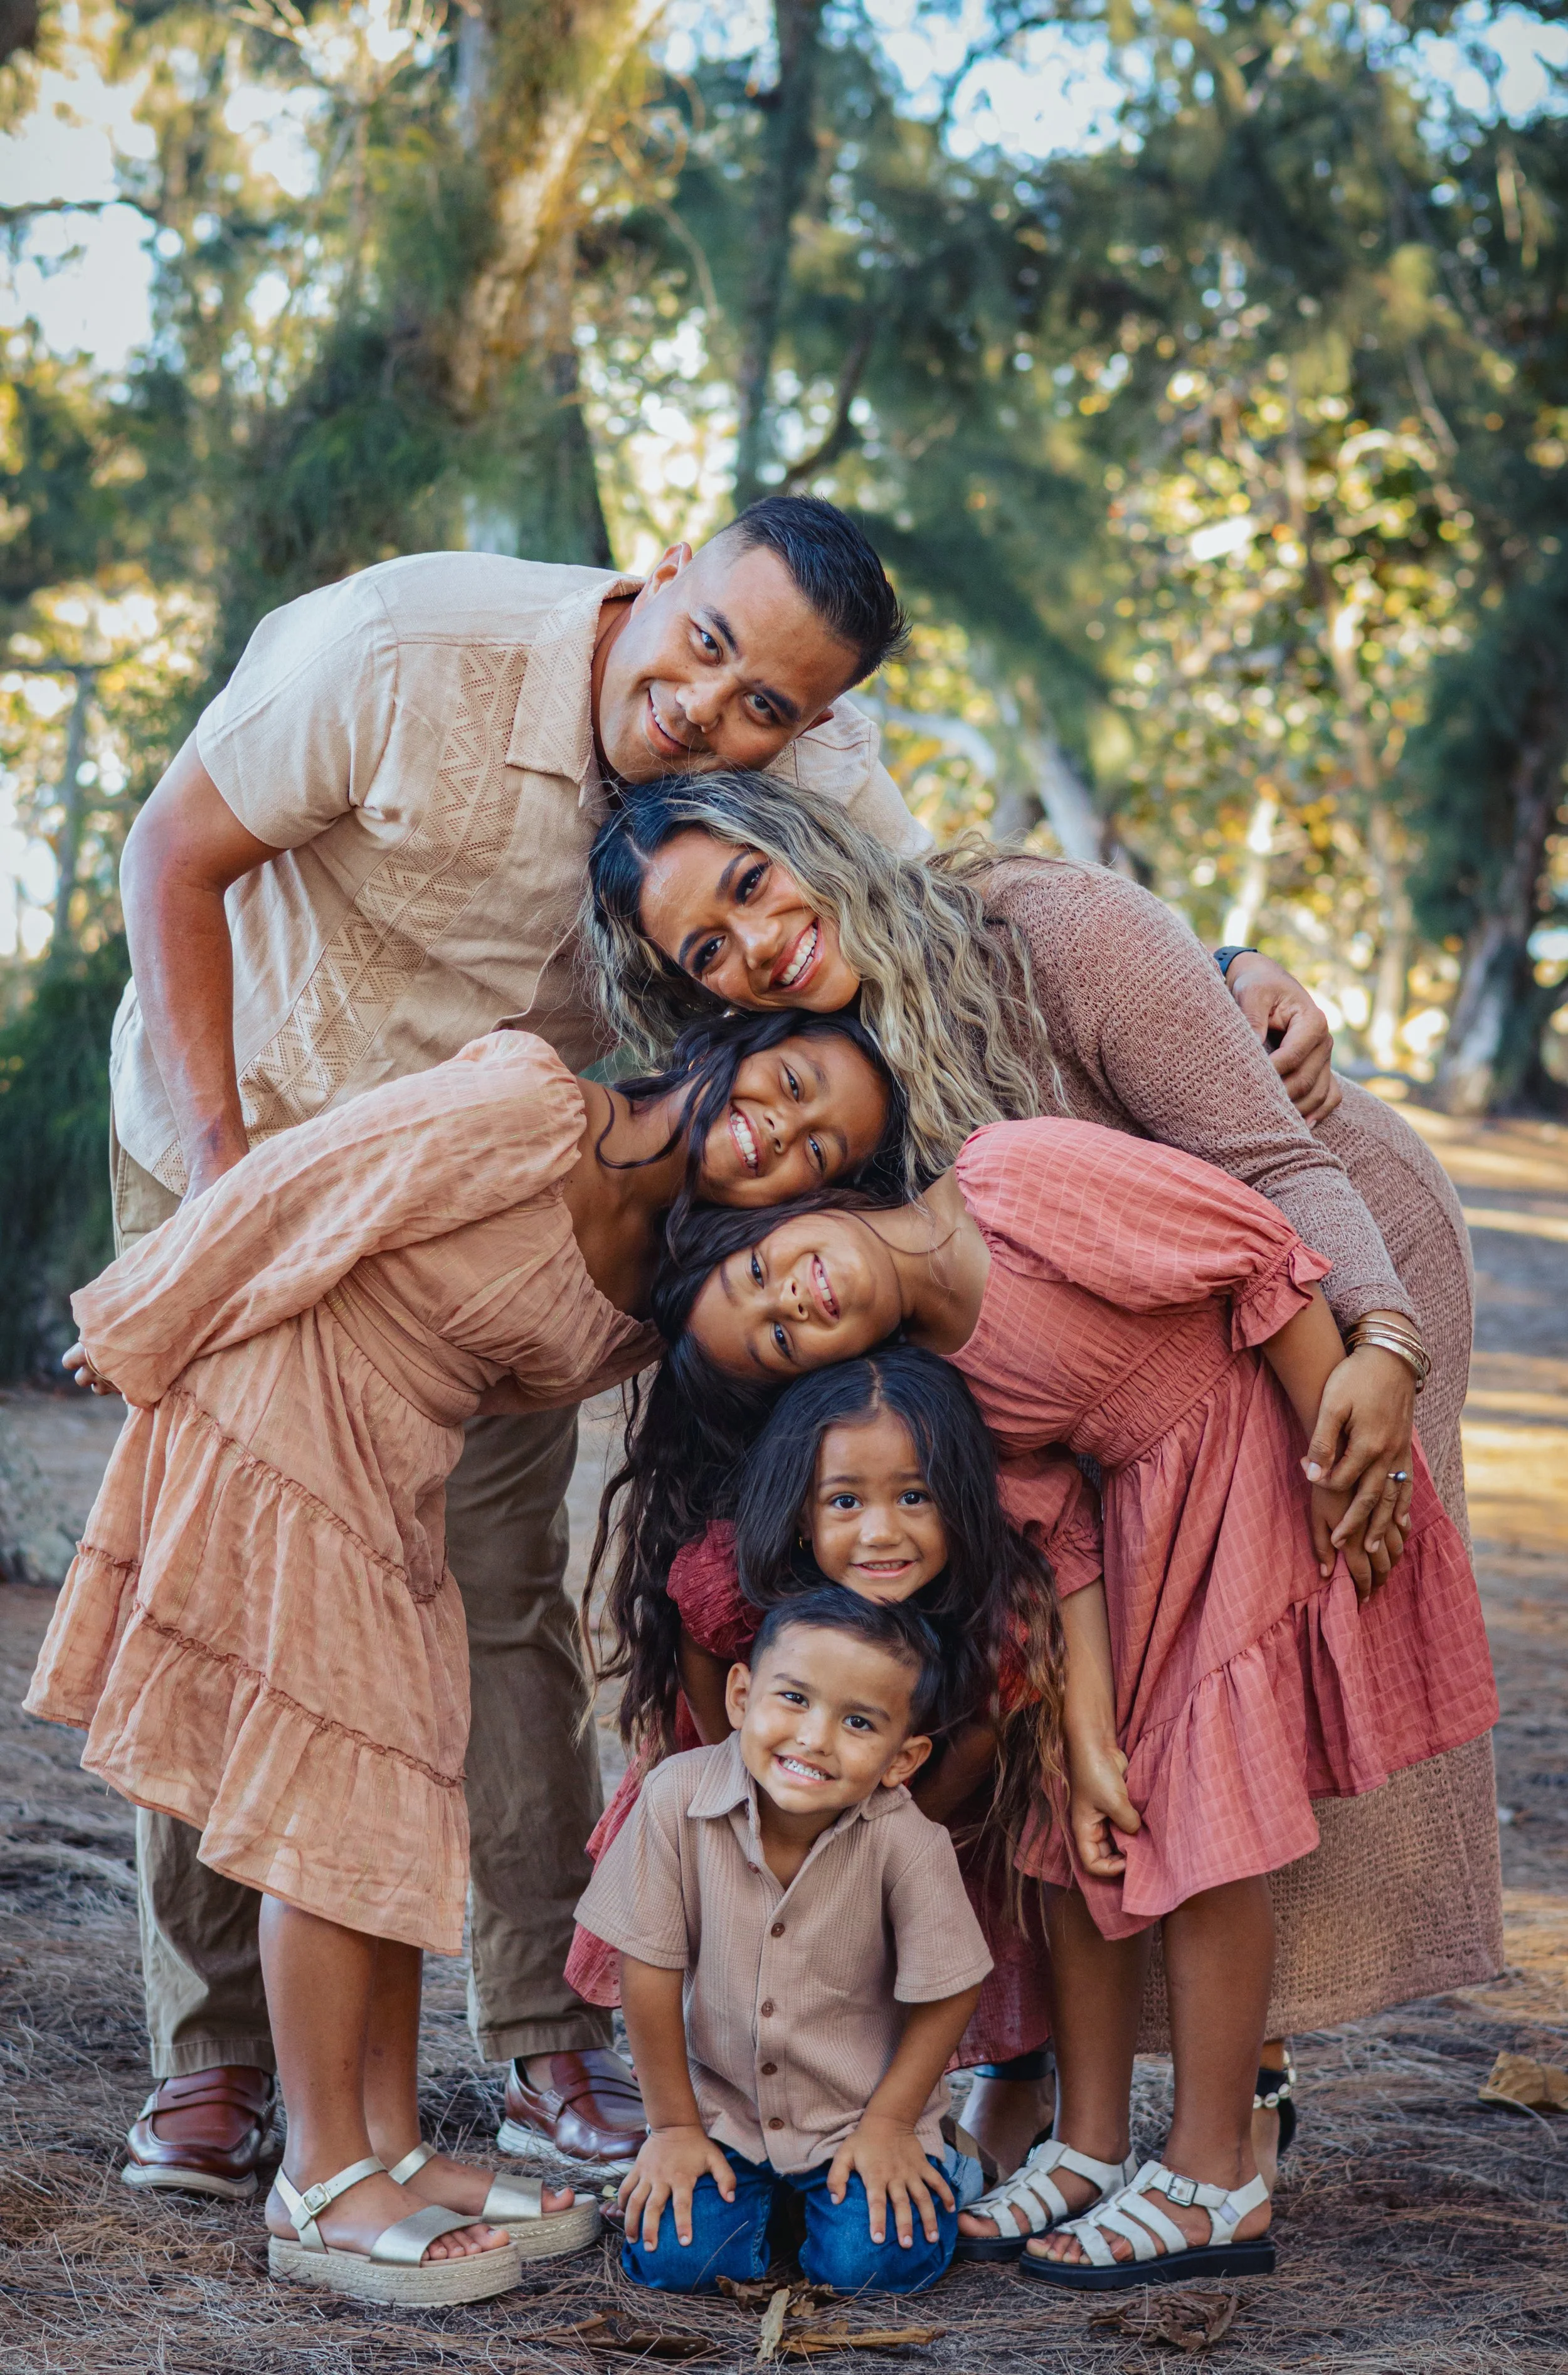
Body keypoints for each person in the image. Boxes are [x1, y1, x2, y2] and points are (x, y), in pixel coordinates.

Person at [104, 494, 924, 2194]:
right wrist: (217, 1177)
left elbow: (958, 932)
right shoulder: (410, 645)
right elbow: (172, 852)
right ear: (672, 561)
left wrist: (1220, 974)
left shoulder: (812, 794)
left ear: (815, 723)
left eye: (767, 704)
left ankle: (538, 2040)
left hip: (496, 1225)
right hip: (242, 1129)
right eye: (706, 647)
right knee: (234, 1583)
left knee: (483, 1599)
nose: (710, 712)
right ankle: (220, 2059)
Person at [583, 770, 1500, 2173]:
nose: (754, 942)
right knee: (1071, 1707)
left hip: (1324, 1267)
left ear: (808, 844)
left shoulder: (1041, 930)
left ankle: (1231, 2109)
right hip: (1101, 1365)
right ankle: (1038, 2088)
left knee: (1223, 1704)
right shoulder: (792, 1096)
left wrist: (1375, 1348)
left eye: (753, 885)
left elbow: (1268, 1165)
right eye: (706, 949)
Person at [24, 1012, 901, 2303]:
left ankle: (390, 2143)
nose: (780, 1128)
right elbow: (299, 1182)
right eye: (789, 1082)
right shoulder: (536, 1113)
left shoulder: (662, 1293)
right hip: (289, 1401)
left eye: (816, 1148)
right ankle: (323, 2180)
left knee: (401, 1777)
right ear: (730, 1049)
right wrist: (136, 1320)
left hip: (391, 1457)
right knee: (333, 1788)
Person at [640, 1115, 1500, 2286]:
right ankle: (1089, 2142)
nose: (790, 1299)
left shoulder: (1007, 1178)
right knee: (1072, 1814)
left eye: (758, 1273)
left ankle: (1215, 2173)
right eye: (776, 1339)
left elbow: (1258, 1254)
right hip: (1146, 1522)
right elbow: (1061, 1525)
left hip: (1256, 1463)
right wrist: (1086, 1740)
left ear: (793, 1213)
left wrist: (1342, 1451)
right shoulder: (941, 1381)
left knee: (1204, 1820)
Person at [567, 1348, 1074, 2090]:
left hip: (917, 1812)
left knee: (883, 1957)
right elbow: (712, 1696)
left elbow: (973, 1742)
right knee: (738, 1951)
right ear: (802, 1512)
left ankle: (964, 2091)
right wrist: (757, 1806)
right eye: (846, 1502)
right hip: (750, 1787)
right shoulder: (736, 1582)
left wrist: (863, 1846)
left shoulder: (992, 1622)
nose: (880, 1533)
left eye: (915, 1497)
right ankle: (714, 2089)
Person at [575, 1590, 993, 2295]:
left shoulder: (906, 1841)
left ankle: (942, 2161)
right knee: (681, 2265)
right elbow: (646, 1968)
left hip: (855, 2119)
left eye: (858, 1722)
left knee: (874, 2270)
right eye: (794, 1699)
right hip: (722, 2119)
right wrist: (672, 2127)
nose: (815, 1737)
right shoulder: (676, 1799)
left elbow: (952, 1986)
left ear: (903, 1757)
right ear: (741, 1695)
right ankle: (776, 2208)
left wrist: (891, 2124)